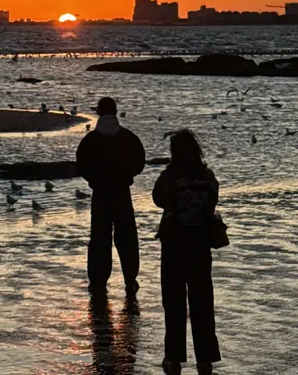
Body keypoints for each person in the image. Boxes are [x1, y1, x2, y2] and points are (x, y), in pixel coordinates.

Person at [152, 129, 221, 375]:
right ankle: (205, 359)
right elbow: (213, 199)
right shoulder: (207, 175)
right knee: (202, 302)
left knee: (173, 303)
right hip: (200, 243)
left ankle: (173, 359)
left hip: (174, 243)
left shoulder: (170, 176)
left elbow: (158, 200)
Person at [76, 96, 145, 298]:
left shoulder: (90, 140)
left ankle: (98, 283)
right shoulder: (129, 138)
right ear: (115, 112)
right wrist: (126, 176)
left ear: (98, 112)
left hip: (100, 194)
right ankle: (130, 280)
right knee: (127, 238)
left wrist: (94, 180)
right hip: (123, 193)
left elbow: (82, 165)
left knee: (99, 239)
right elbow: (139, 162)